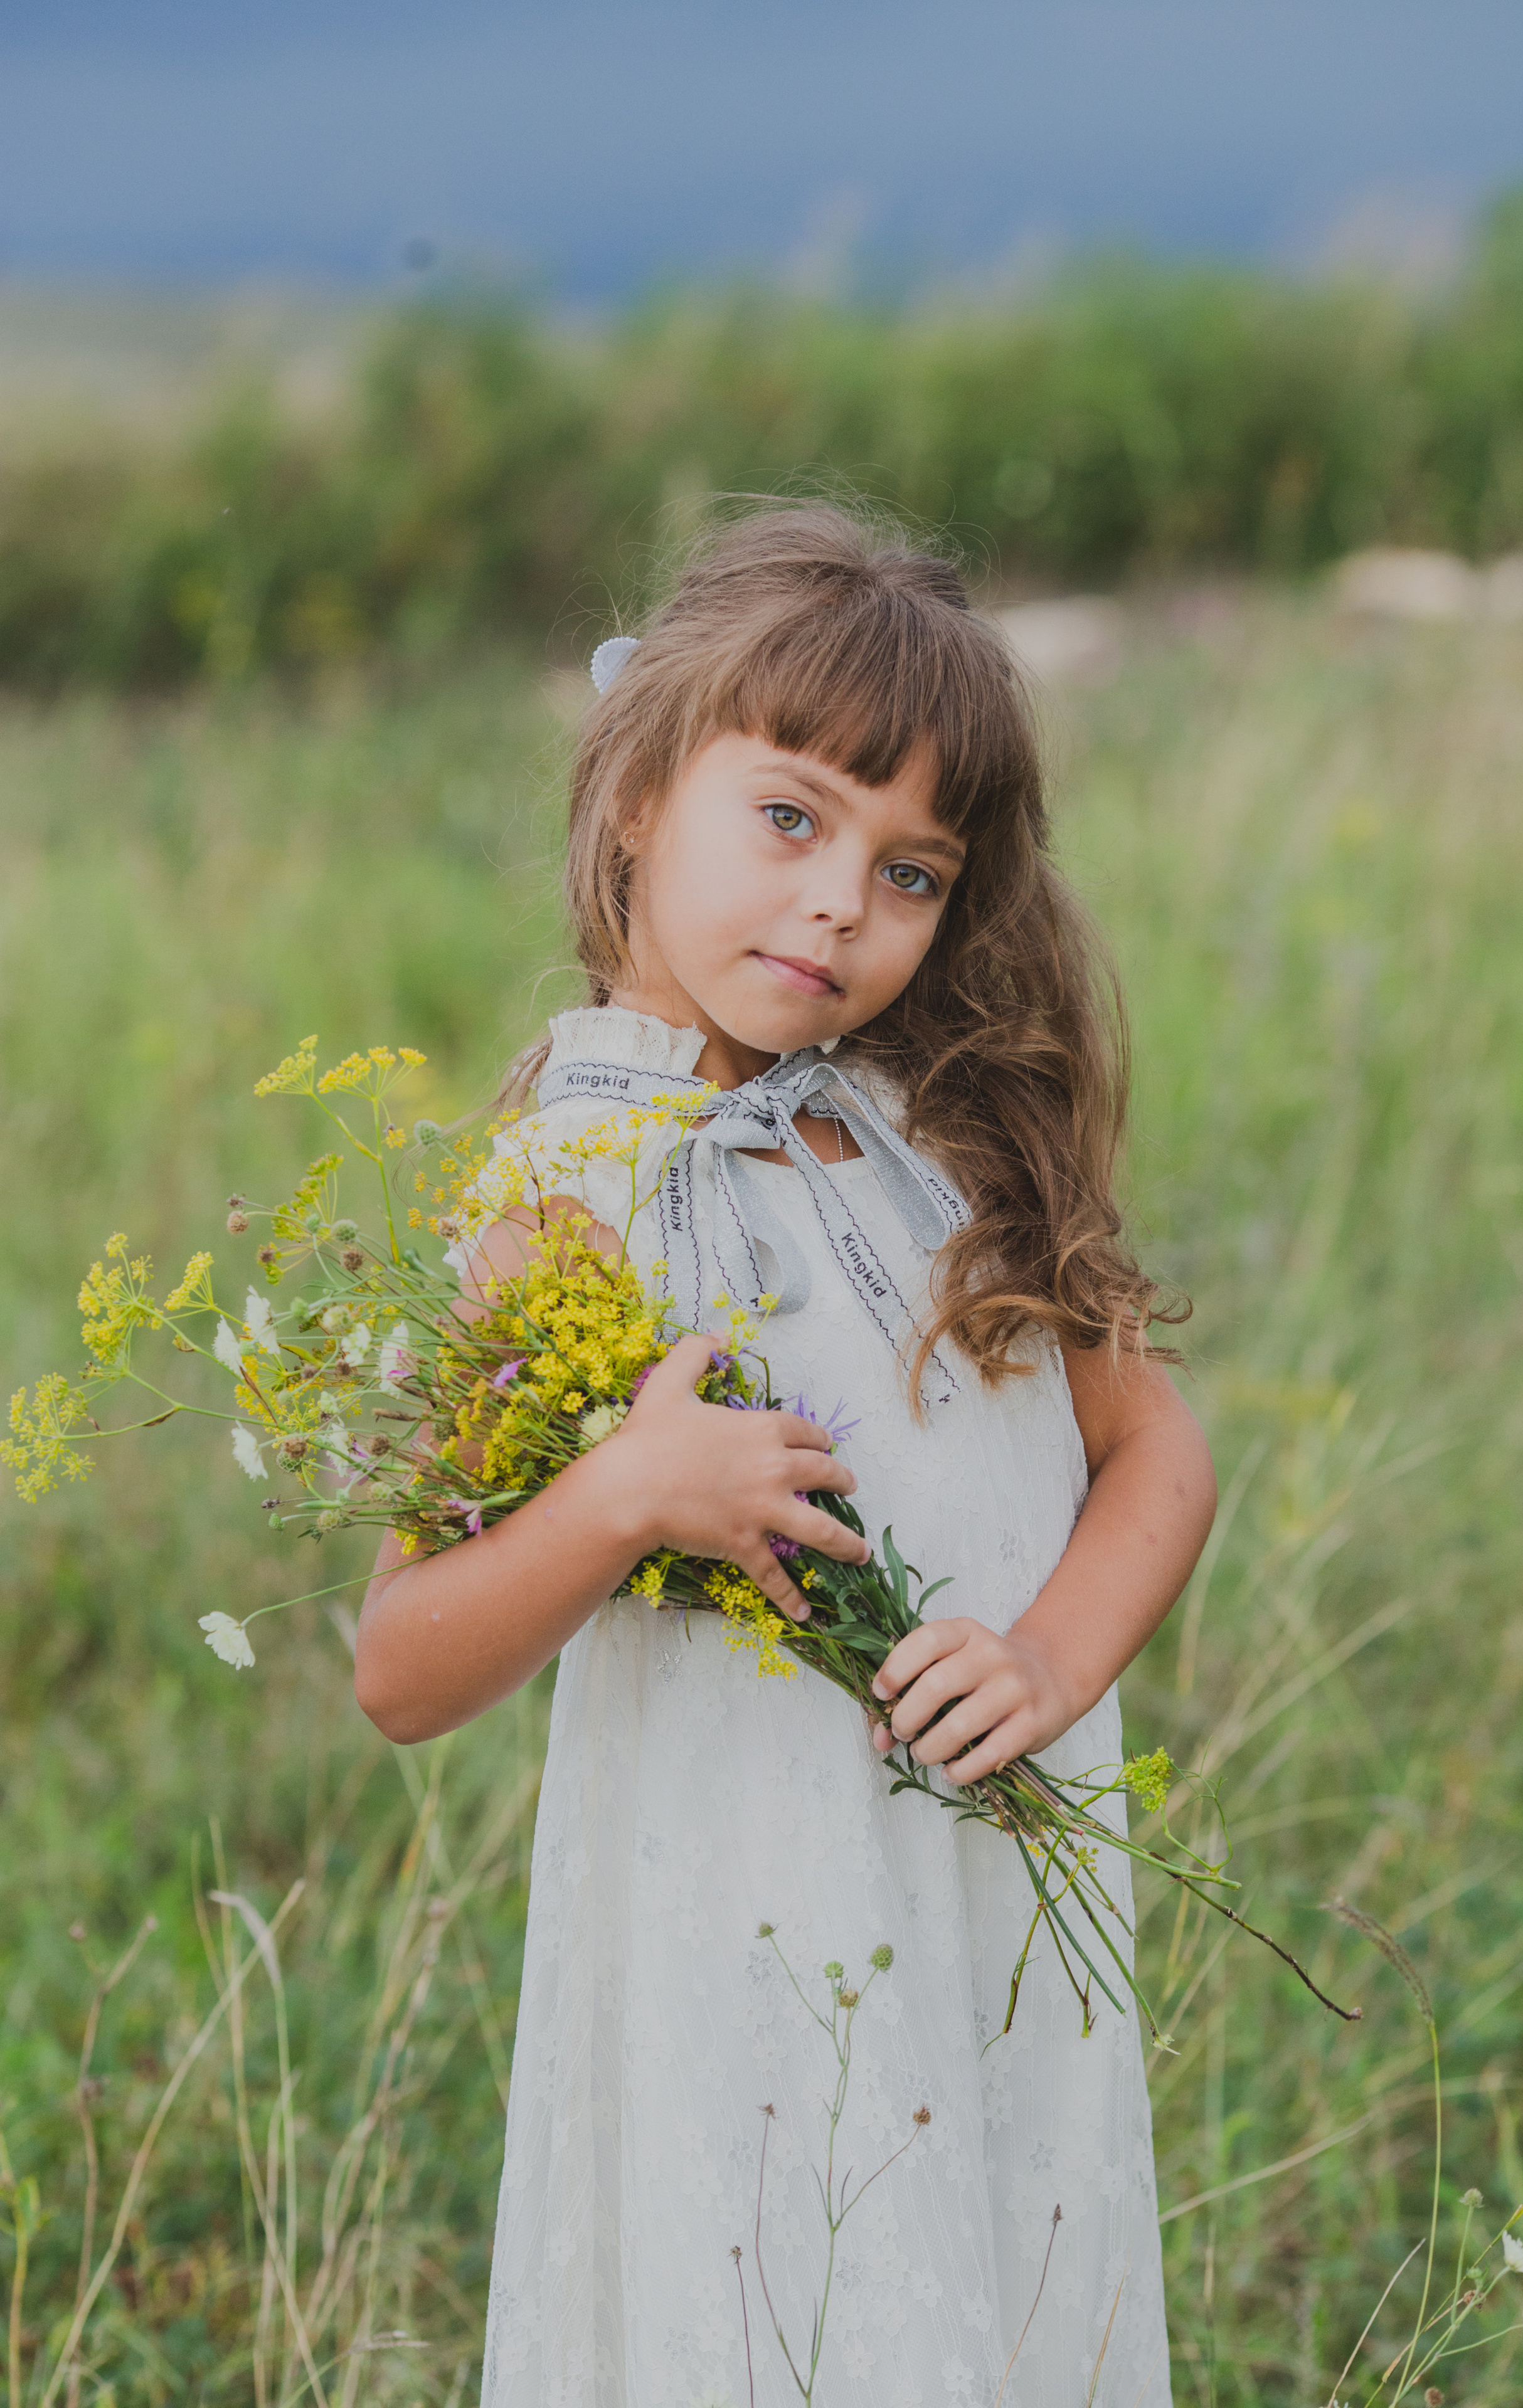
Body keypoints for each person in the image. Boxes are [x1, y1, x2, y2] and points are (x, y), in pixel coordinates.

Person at [355, 504, 1216, 2407]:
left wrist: (1052, 1658)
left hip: (992, 1918)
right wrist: (624, 1497)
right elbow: (405, 1663)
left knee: (1013, 2295)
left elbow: (1154, 1451)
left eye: (912, 872)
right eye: (791, 820)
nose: (842, 903)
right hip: (753, 1944)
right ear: (641, 796)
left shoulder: (954, 1141)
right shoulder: (557, 1199)